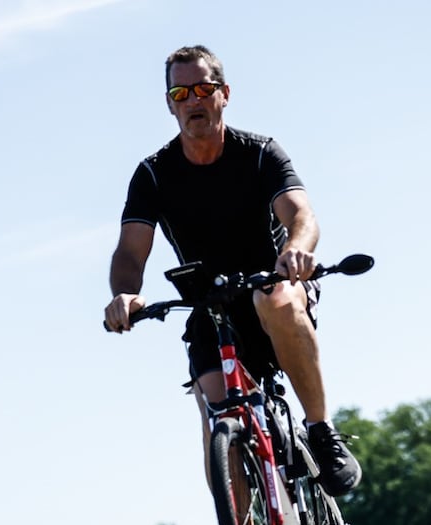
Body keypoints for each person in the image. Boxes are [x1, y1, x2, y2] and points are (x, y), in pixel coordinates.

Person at [103, 44, 361, 498]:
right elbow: (130, 253)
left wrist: (297, 251)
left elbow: (301, 214)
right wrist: (125, 293)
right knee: (217, 412)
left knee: (275, 300)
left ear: (224, 93)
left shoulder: (259, 153)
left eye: (203, 89)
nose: (193, 101)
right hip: (212, 303)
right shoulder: (154, 175)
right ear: (169, 104)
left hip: (272, 282)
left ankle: (321, 432)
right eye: (181, 93)